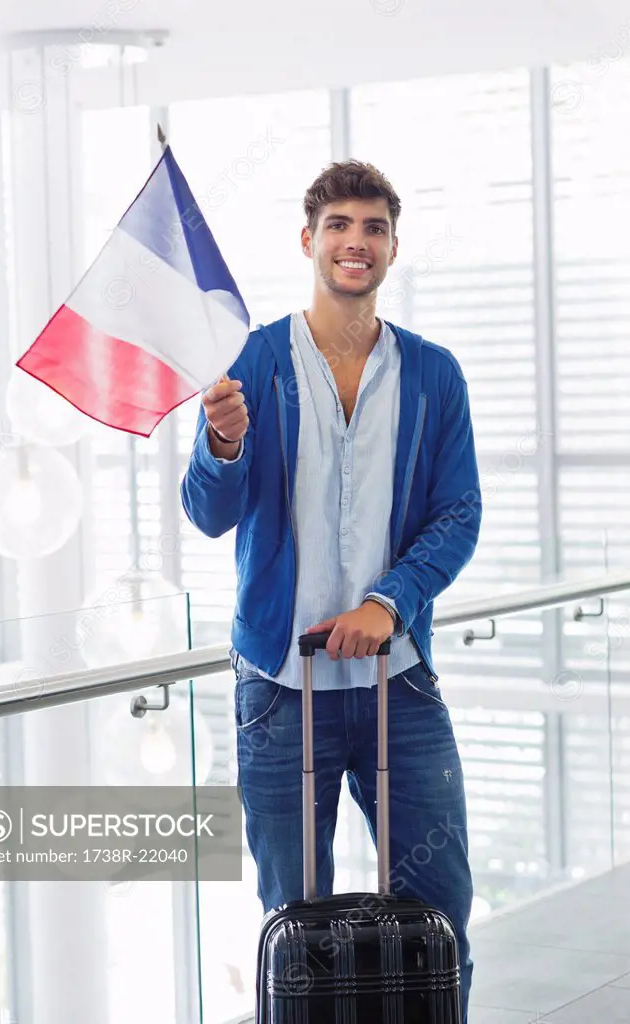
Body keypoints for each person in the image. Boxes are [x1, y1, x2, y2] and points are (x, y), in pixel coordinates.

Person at [180, 159, 482, 1022]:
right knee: (297, 924)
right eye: (341, 226)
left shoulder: (431, 373)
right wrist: (223, 446)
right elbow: (207, 513)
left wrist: (388, 602)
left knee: (440, 913)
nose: (357, 242)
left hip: (401, 683)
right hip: (280, 690)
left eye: (375, 228)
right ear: (309, 241)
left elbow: (459, 513)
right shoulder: (254, 362)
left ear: (391, 247)